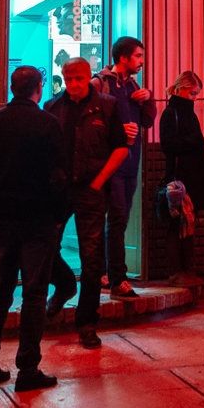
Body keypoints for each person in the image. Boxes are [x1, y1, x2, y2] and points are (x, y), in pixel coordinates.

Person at [0, 66, 67, 393]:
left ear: (13, 87)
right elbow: (59, 176)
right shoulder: (47, 124)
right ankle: (28, 367)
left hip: (3, 219)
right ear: (39, 88)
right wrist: (58, 215)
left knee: (1, 289)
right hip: (38, 219)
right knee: (34, 293)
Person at [46, 56, 131, 348]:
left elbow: (121, 147)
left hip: (91, 190)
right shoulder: (53, 107)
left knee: (92, 258)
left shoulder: (106, 106)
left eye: (78, 79)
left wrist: (99, 182)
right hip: (59, 190)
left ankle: (87, 323)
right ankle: (64, 286)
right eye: (68, 79)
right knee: (46, 246)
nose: (73, 84)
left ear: (88, 76)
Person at [96, 36, 155, 296]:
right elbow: (94, 122)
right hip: (110, 163)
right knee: (115, 218)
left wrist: (148, 99)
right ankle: (116, 277)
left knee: (119, 219)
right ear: (123, 57)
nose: (141, 61)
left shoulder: (133, 85)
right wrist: (119, 130)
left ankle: (107, 272)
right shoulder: (102, 83)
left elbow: (147, 122)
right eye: (138, 56)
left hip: (130, 163)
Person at [157, 70, 204, 286]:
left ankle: (186, 270)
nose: (195, 98)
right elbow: (168, 145)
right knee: (177, 224)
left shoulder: (185, 113)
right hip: (180, 177)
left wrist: (197, 140)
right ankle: (177, 271)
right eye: (193, 93)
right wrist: (196, 141)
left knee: (188, 223)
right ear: (181, 89)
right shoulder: (171, 113)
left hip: (191, 175)